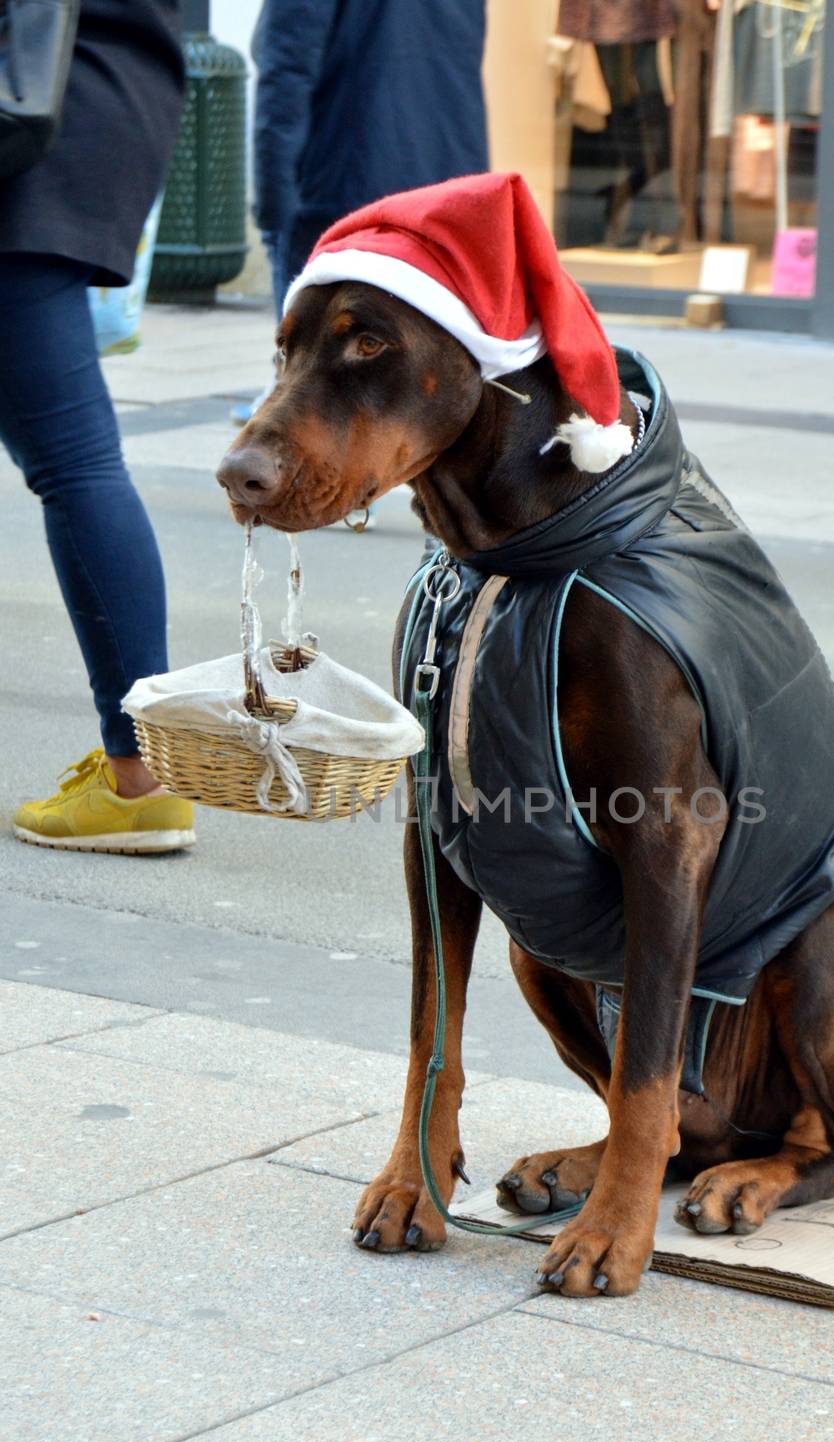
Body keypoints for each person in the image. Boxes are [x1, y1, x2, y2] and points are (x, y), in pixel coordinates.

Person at [1, 0, 195, 854]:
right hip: (97, 111)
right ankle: (141, 773)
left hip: (32, 136)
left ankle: (139, 779)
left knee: (74, 464)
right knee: (77, 461)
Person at [232, 0, 490, 433]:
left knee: (318, 402)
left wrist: (274, 201)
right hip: (443, 182)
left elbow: (286, 67)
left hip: (341, 188)